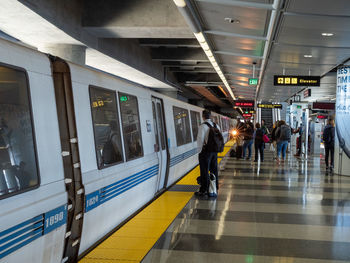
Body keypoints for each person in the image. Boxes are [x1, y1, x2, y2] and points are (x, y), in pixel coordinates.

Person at [195, 110, 221, 196]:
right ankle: (214, 188)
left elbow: (200, 140)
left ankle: (204, 190)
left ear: (203, 116)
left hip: (205, 152)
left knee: (204, 171)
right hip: (214, 152)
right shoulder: (216, 125)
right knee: (214, 170)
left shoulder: (202, 126)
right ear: (211, 116)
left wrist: (199, 152)